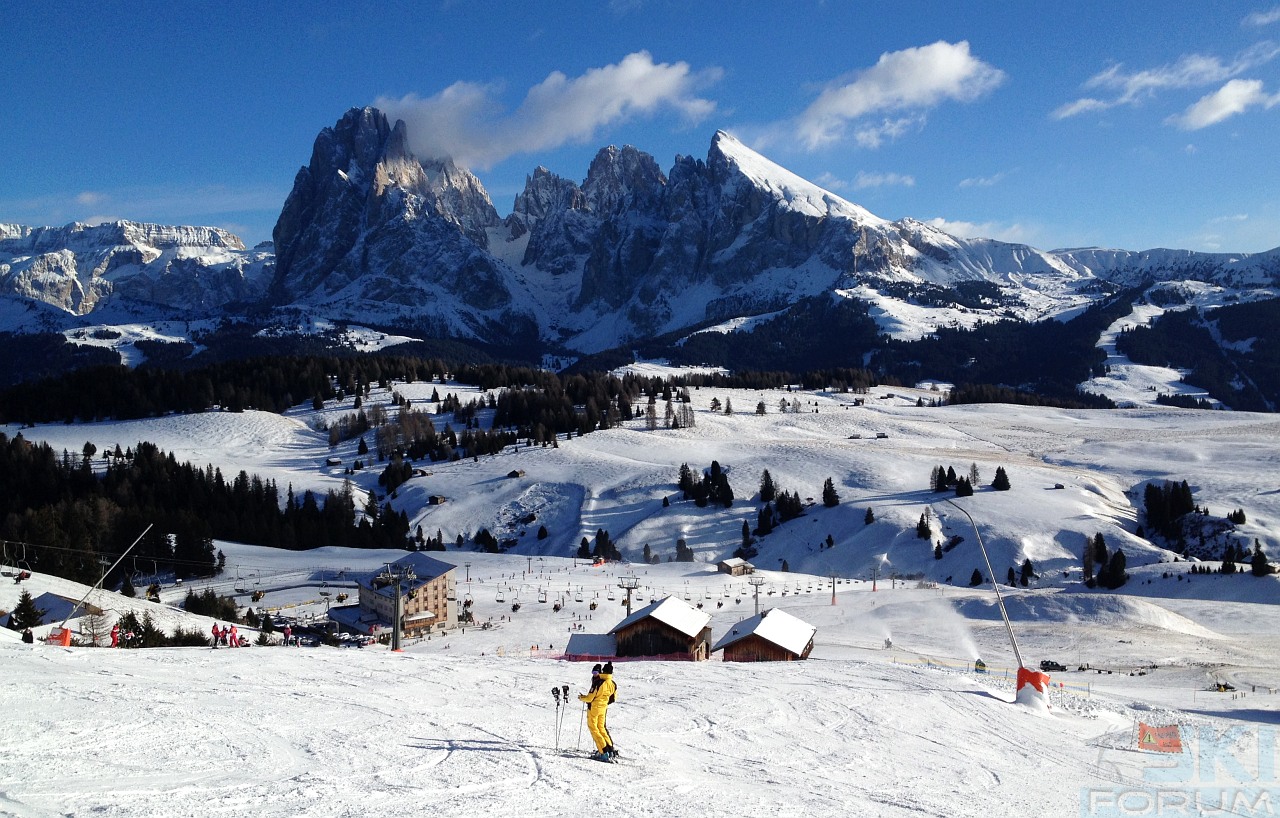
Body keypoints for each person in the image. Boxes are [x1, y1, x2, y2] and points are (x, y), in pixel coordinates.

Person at [578, 661, 617, 760]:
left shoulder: (599, 683)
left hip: (594, 708)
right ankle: (610, 749)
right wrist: (603, 703)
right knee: (601, 728)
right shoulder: (613, 684)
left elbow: (590, 698)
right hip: (603, 709)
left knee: (594, 729)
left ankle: (603, 751)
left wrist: (582, 698)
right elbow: (613, 698)